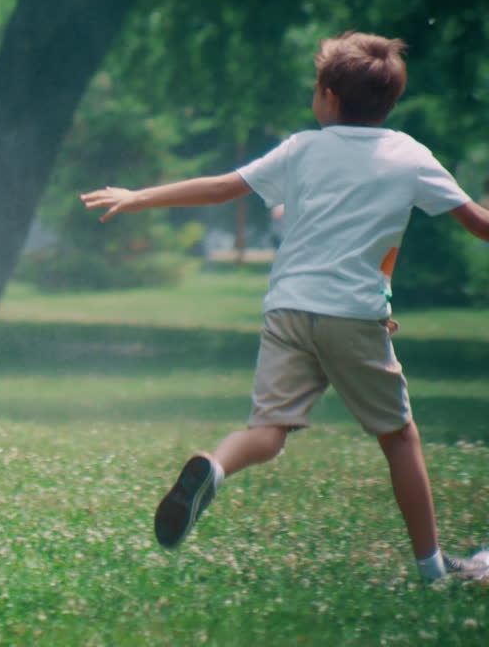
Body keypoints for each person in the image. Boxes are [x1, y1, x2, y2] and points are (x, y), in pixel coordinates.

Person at [80, 31, 489, 582]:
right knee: (398, 437)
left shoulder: (301, 149)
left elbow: (222, 188)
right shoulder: (410, 156)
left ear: (329, 97)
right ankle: (433, 568)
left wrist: (138, 197)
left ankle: (215, 467)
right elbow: (478, 223)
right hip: (353, 316)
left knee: (269, 430)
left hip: (288, 311)